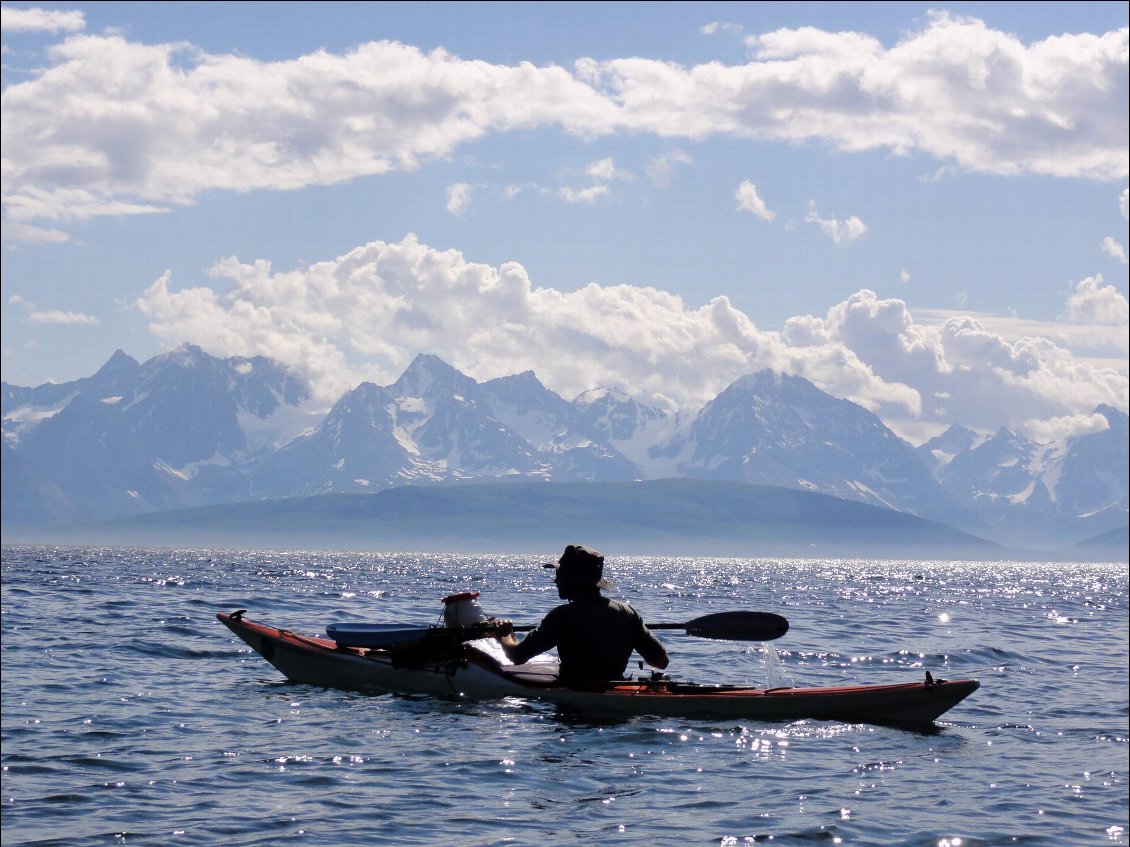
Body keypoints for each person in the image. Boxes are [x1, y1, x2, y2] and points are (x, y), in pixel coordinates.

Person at [495, 544, 669, 687]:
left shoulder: (562, 617)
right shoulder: (627, 613)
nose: (556, 581)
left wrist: (504, 636)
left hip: (574, 709)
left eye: (560, 575)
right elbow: (661, 662)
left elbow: (517, 656)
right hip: (614, 694)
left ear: (574, 580)